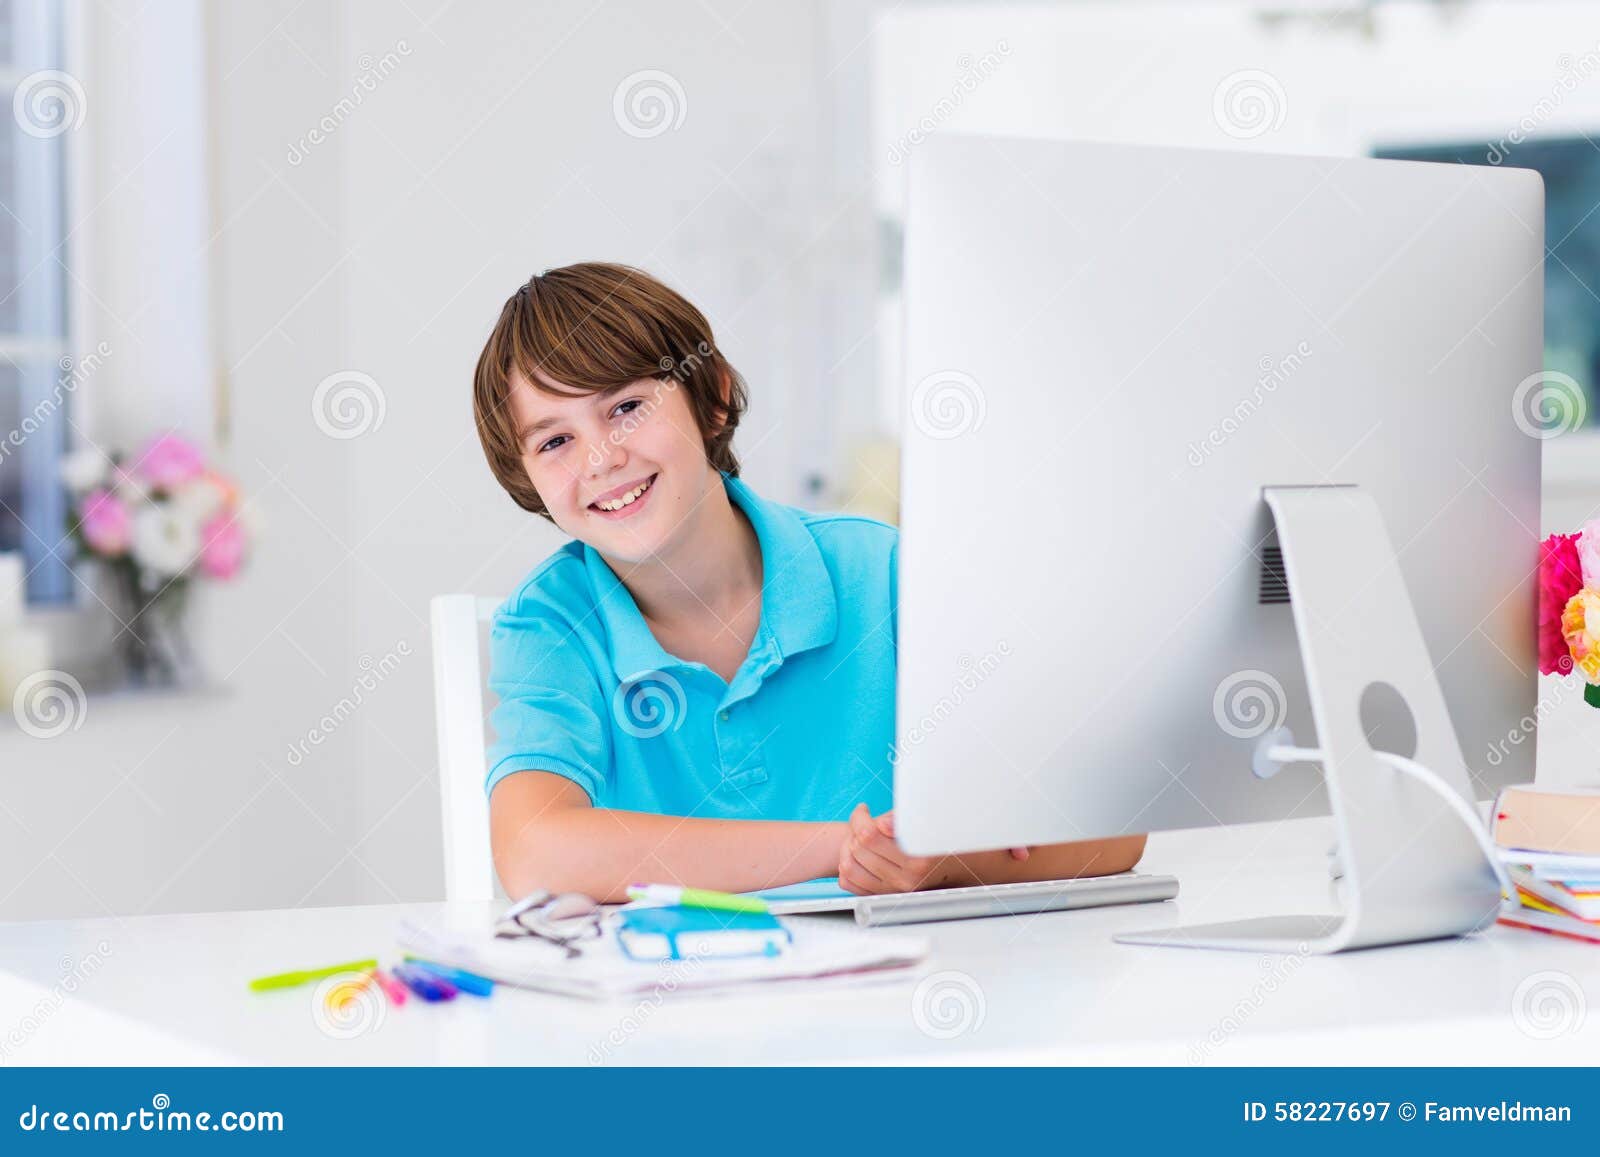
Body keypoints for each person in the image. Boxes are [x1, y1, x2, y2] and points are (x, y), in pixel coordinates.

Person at [472, 262, 1146, 902]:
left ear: (713, 398)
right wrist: (841, 849)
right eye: (554, 441)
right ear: (526, 478)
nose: (601, 458)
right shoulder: (549, 624)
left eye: (626, 407)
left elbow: (1112, 825)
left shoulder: (880, 574)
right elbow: (536, 855)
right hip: (679, 1005)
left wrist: (934, 858)